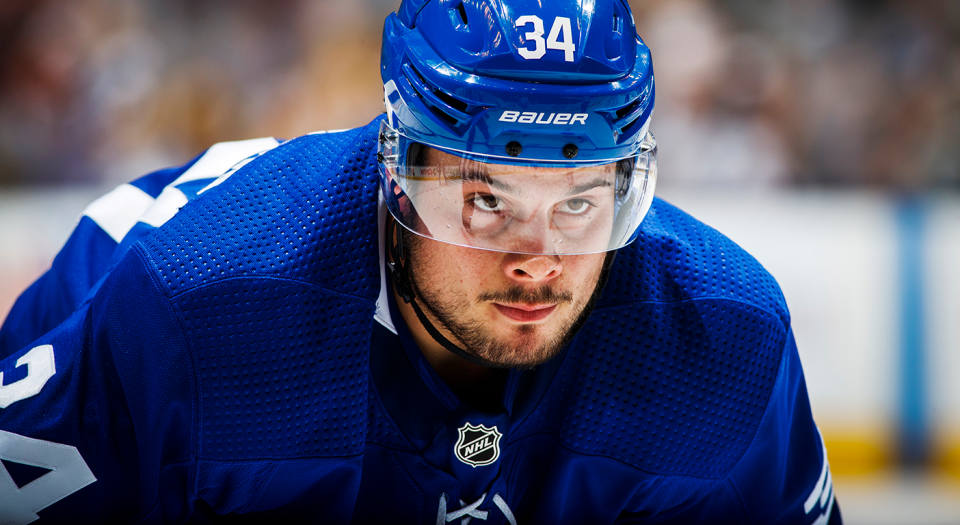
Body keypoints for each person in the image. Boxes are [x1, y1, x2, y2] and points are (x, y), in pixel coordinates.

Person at [0, 0, 841, 523]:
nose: (538, 260)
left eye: (581, 202)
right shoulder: (200, 304)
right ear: (397, 176)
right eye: (486, 202)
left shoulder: (727, 334)